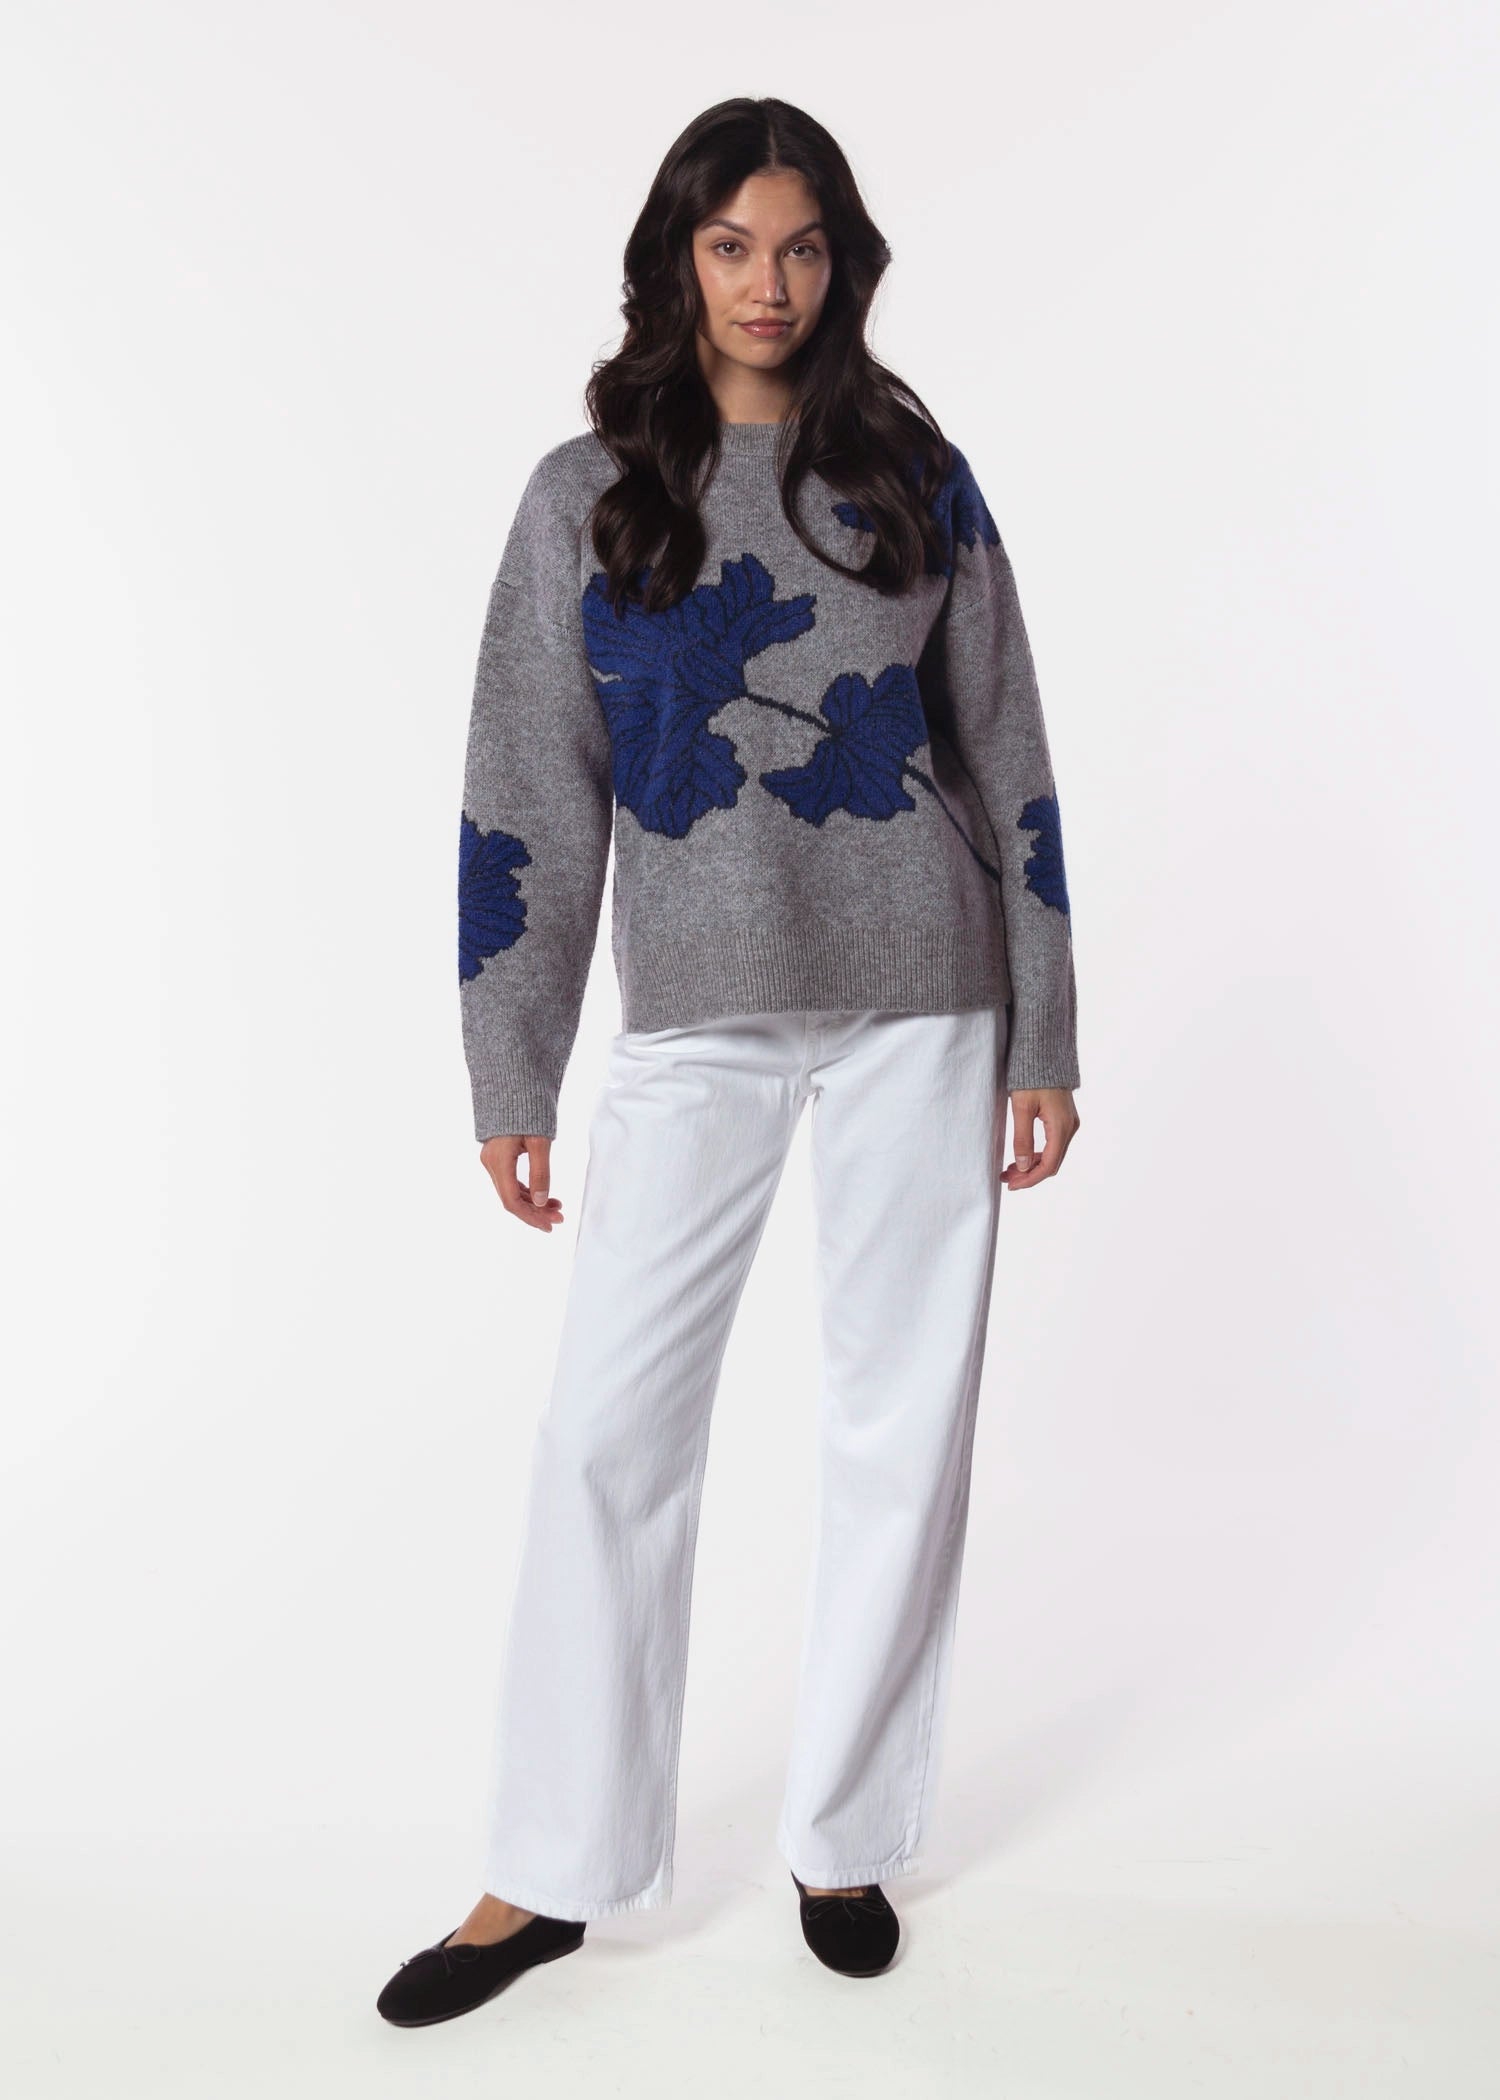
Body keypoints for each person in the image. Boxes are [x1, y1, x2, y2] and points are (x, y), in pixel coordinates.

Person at [377, 93, 1081, 2028]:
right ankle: (548, 1870)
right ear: (677, 259)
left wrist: (1046, 1020)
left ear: (842, 262)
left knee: (899, 1421)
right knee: (609, 1433)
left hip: (928, 999)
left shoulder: (914, 478)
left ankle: (844, 1835)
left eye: (802, 247)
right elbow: (526, 791)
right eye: (731, 246)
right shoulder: (590, 496)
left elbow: (1009, 746)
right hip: (696, 1014)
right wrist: (511, 1069)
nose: (770, 284)